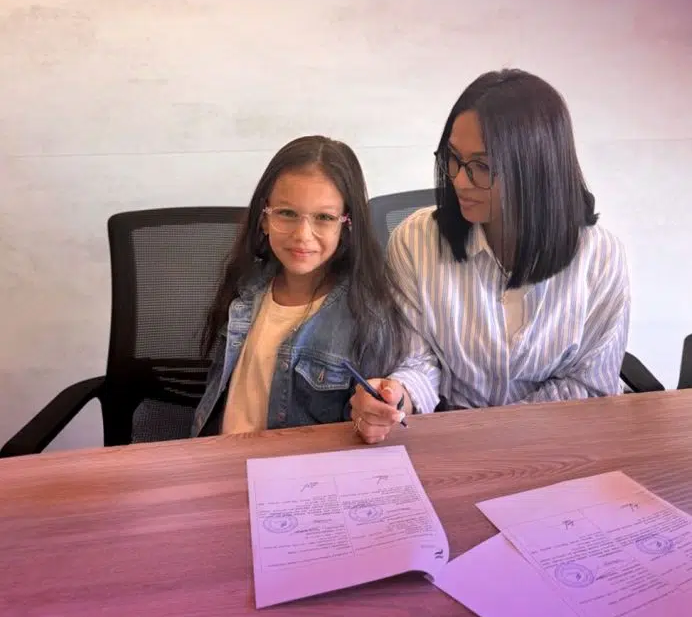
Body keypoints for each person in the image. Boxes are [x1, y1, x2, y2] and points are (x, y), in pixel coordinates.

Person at [350, 69, 630, 443]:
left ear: (536, 169)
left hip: (556, 440)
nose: (459, 180)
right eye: (453, 158)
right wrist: (397, 394)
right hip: (450, 439)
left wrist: (495, 432)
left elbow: (590, 385)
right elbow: (418, 361)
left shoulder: (600, 258)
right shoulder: (414, 241)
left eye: (481, 166)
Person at [191, 135, 408, 437]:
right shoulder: (246, 286)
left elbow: (374, 423)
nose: (303, 235)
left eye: (324, 217)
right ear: (264, 217)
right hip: (222, 454)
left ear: (346, 225)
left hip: (301, 465)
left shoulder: (368, 314)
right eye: (287, 213)